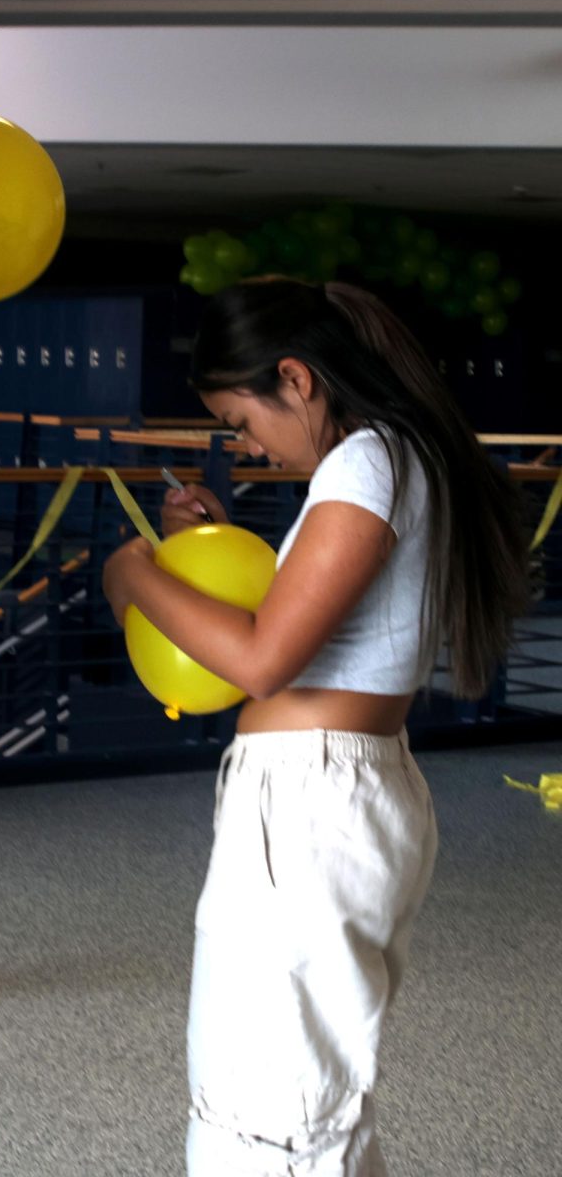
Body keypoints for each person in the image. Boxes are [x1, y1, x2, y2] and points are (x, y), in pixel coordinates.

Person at [102, 277, 530, 1177]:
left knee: (273, 1119)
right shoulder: (395, 457)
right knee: (298, 1105)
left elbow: (263, 659)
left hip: (310, 803)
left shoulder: (368, 461)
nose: (247, 446)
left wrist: (135, 574)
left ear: (295, 378)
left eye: (242, 422)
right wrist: (202, 553)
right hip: (328, 792)